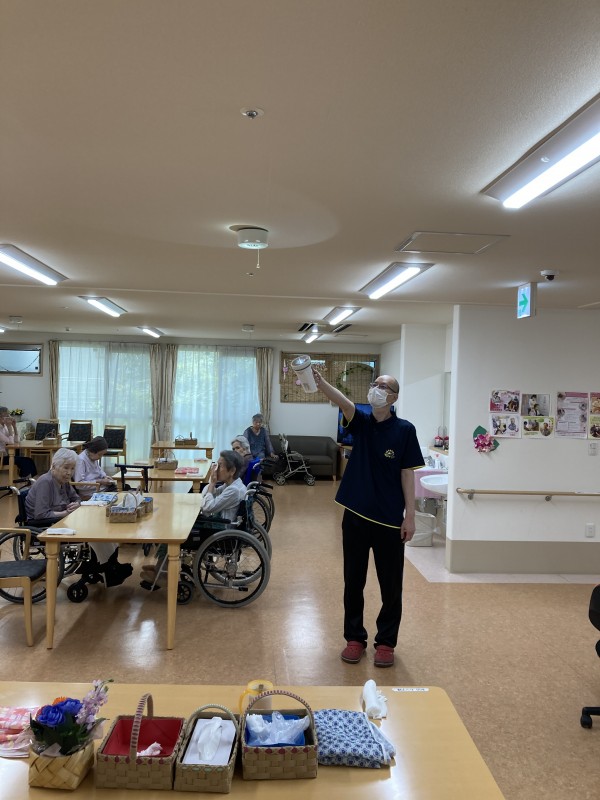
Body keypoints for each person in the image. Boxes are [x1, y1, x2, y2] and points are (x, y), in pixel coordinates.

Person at [312, 371, 424, 668]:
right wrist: (321, 384)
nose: (376, 389)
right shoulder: (361, 423)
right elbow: (345, 403)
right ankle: (354, 638)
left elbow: (407, 474)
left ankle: (386, 642)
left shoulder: (405, 430)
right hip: (356, 517)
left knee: (391, 586)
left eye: (383, 386)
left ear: (394, 397)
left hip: (389, 521)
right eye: (375, 385)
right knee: (353, 581)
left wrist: (410, 516)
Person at [140, 450, 246, 589]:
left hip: (219, 532)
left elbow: (207, 507)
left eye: (220, 465)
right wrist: (211, 484)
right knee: (175, 522)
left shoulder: (234, 490)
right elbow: (206, 496)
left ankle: (162, 573)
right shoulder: (232, 485)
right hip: (218, 527)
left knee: (173, 531)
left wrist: (212, 484)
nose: (215, 469)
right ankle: (161, 566)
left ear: (232, 471)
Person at [25, 448, 131, 584]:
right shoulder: (45, 482)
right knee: (91, 532)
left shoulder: (63, 481)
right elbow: (41, 514)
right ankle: (100, 567)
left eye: (72, 468)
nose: (69, 472)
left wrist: (76, 504)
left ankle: (109, 564)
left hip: (61, 519)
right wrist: (65, 513)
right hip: (45, 525)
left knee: (99, 528)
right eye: (66, 468)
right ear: (54, 466)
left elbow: (76, 498)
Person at [0, 406, 37, 480]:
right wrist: (9, 427)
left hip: (4, 456)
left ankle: (28, 480)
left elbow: (17, 441)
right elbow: (11, 442)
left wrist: (14, 427)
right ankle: (23, 480)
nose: (8, 418)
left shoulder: (4, 427)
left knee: (29, 460)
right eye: (6, 416)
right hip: (1, 458)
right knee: (25, 462)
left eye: (8, 415)